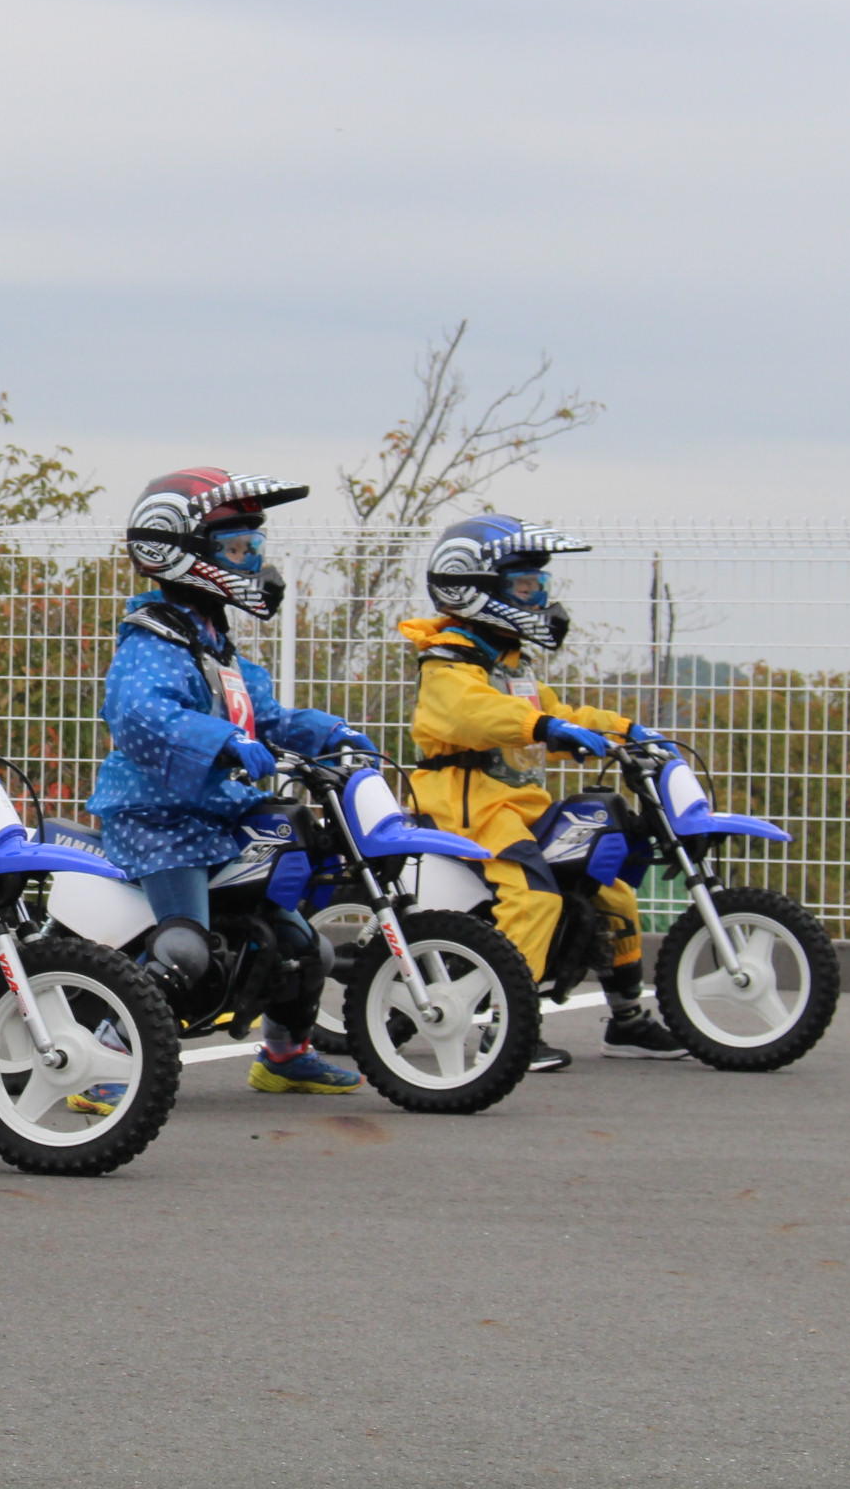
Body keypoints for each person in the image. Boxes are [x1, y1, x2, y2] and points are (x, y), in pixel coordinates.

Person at [84, 468, 376, 1106]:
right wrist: (220, 742)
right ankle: (101, 1059)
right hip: (159, 819)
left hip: (219, 815)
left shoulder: (214, 642)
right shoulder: (152, 639)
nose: (254, 565)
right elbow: (140, 715)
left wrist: (333, 734)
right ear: (181, 552)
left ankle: (284, 1054)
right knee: (186, 948)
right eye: (238, 551)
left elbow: (262, 719)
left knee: (304, 947)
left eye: (255, 550)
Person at [396, 513, 687, 1070]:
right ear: (474, 587)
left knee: (612, 889)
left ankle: (626, 1019)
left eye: (540, 587)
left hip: (519, 805)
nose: (538, 599)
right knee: (534, 896)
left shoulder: (511, 664)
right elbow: (474, 716)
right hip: (469, 806)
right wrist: (543, 729)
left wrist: (621, 731)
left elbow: (552, 714)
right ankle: (508, 1032)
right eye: (525, 587)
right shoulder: (448, 662)